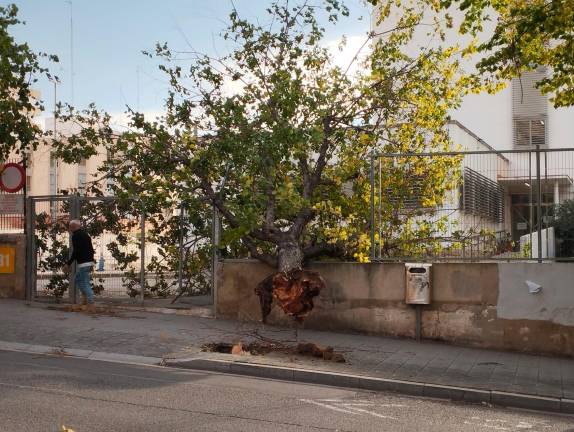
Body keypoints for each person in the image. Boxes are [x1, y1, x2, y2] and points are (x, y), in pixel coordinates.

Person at [64, 219, 96, 310]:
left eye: (70, 227)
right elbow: (91, 249)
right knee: (78, 279)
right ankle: (85, 300)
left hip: (83, 263)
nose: (69, 229)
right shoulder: (86, 235)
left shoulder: (76, 236)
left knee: (85, 282)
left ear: (73, 227)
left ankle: (91, 304)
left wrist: (68, 263)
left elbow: (76, 251)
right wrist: (91, 262)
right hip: (88, 262)